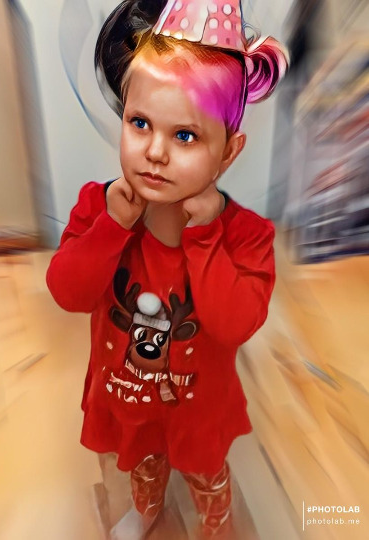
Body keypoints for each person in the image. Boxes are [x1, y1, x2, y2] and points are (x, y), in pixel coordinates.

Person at [46, 0, 288, 537]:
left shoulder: (248, 238)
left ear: (228, 152)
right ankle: (148, 508)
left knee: (208, 477)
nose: (155, 151)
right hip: (128, 394)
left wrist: (205, 237)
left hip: (200, 407)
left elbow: (233, 324)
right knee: (144, 465)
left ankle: (215, 524)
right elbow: (67, 291)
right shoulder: (99, 209)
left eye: (185, 136)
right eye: (140, 123)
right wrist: (110, 226)